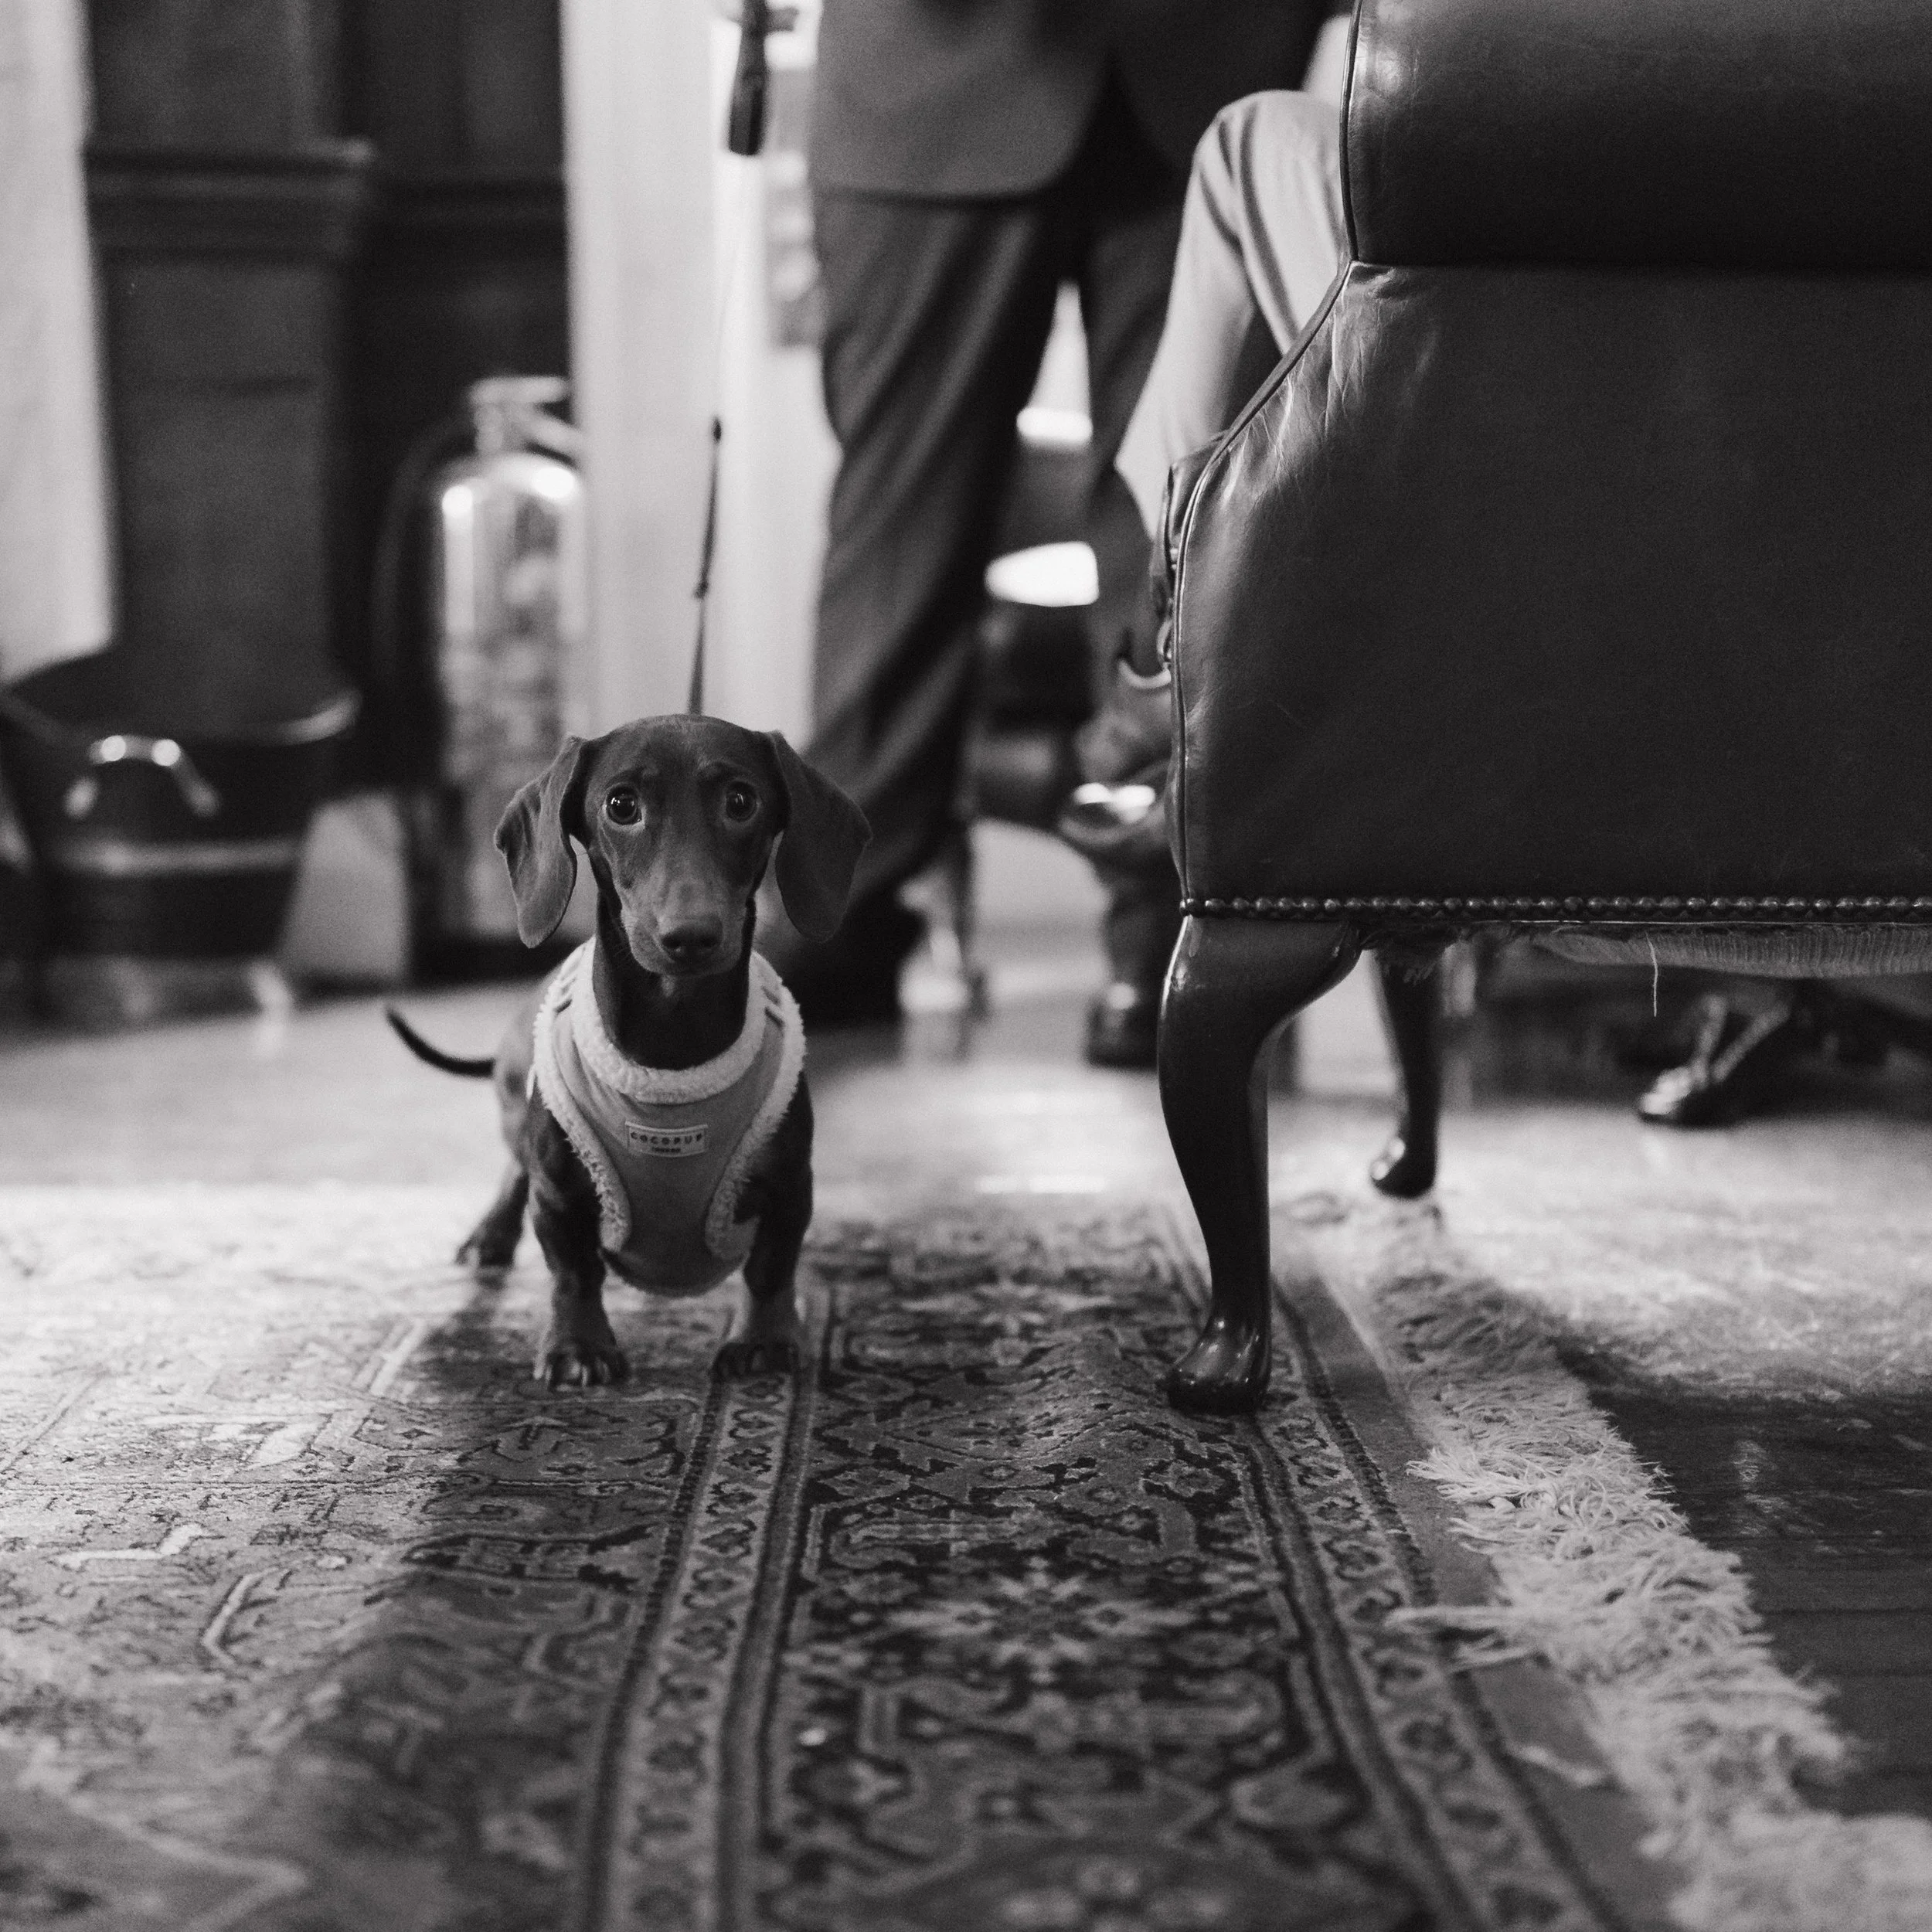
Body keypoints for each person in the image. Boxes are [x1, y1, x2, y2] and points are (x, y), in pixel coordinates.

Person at [764, 0, 1343, 1062]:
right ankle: (843, 912)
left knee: (1196, 517)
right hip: (925, 77)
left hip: (1210, 57)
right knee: (902, 523)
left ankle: (1180, 933)